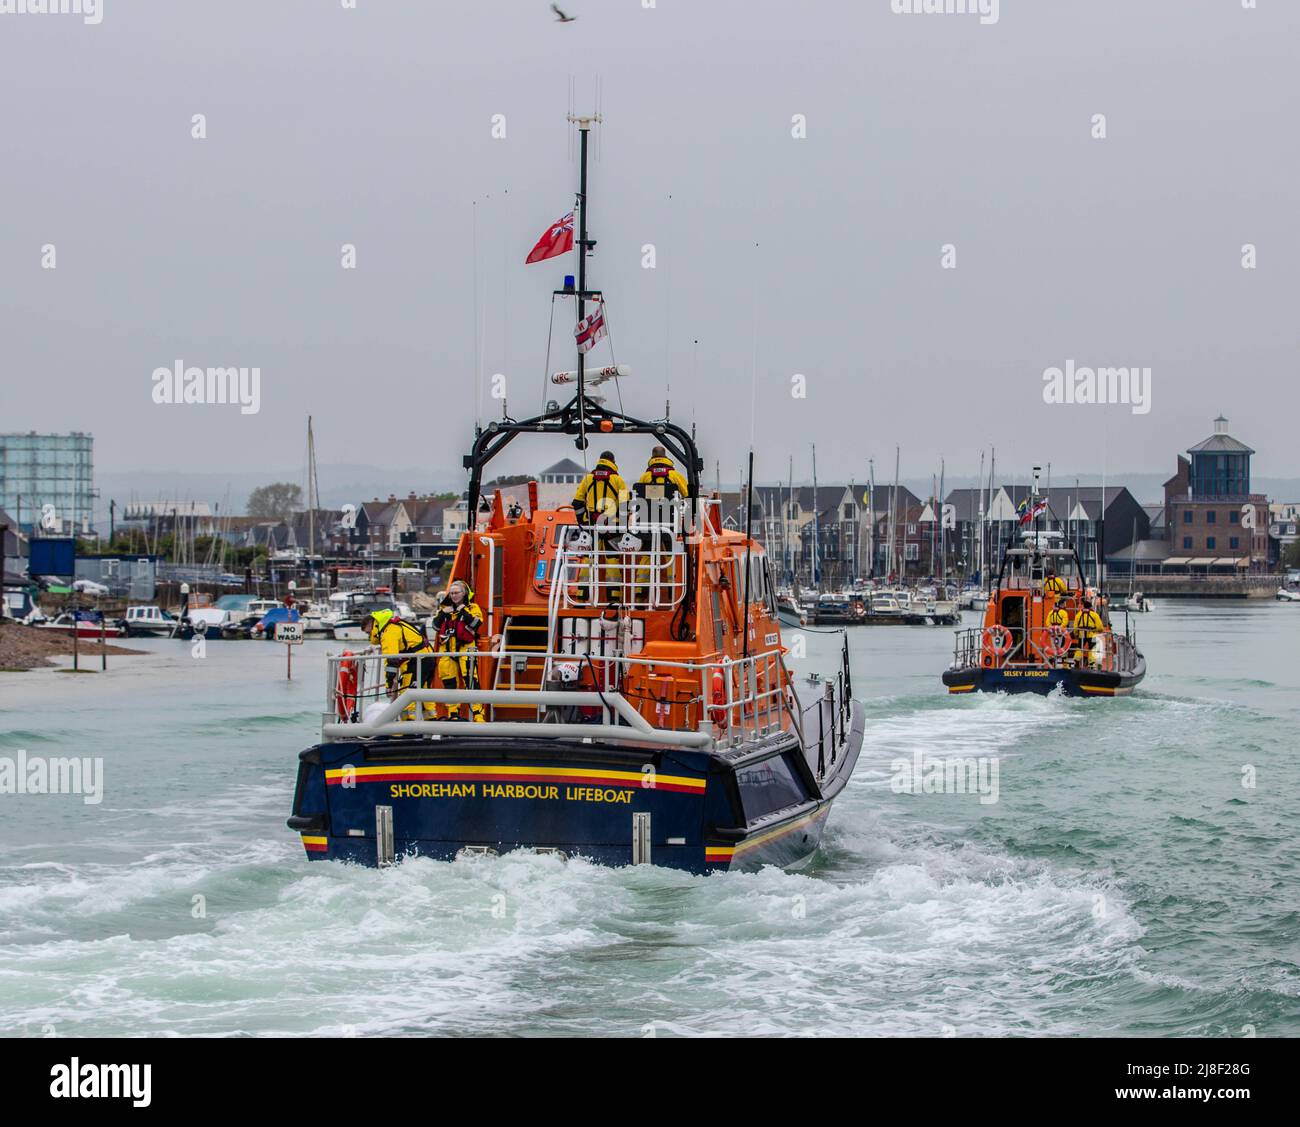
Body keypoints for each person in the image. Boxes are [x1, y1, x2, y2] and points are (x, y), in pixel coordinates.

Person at [632, 447, 690, 602]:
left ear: (652, 458)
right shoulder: (675, 476)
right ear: (666, 457)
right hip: (670, 525)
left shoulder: (644, 477)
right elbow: (688, 496)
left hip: (647, 524)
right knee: (671, 558)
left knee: (646, 556)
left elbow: (638, 497)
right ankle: (673, 593)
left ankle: (639, 594)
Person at [571, 451, 629, 603]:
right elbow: (625, 504)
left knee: (587, 560)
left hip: (591, 527)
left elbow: (577, 503)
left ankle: (582, 597)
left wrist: (583, 523)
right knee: (612, 560)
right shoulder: (618, 480)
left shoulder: (588, 479)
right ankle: (614, 598)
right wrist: (621, 526)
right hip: (612, 528)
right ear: (613, 461)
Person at [362, 608, 436, 720]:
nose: (369, 637)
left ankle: (409, 726)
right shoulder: (392, 626)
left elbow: (391, 659)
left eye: (368, 633)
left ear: (373, 625)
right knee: (424, 693)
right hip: (425, 659)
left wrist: (389, 683)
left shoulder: (388, 632)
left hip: (417, 662)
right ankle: (431, 722)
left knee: (407, 694)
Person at [432, 579, 486, 721]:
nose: (454, 595)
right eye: (452, 593)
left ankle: (478, 715)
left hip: (466, 649)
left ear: (464, 593)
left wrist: (462, 611)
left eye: (457, 593)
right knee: (449, 683)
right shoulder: (445, 610)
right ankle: (453, 714)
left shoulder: (473, 607)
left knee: (471, 681)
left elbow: (477, 624)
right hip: (448, 651)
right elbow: (436, 627)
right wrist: (444, 614)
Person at [1071, 596, 1104, 667]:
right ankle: (1092, 664)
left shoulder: (1078, 615)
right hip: (1091, 634)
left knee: (1080, 648)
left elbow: (1075, 627)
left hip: (1081, 634)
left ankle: (1076, 661)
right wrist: (1098, 631)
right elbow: (1100, 627)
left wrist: (1076, 634)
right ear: (1090, 607)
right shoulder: (1094, 615)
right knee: (1092, 648)